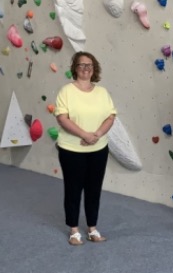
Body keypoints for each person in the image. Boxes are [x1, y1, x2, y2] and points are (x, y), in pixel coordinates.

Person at [54, 51, 117, 246]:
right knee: (73, 189)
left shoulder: (102, 92)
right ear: (75, 68)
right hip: (71, 150)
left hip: (99, 148)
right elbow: (62, 118)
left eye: (89, 65)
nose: (86, 68)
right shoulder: (66, 91)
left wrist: (96, 135)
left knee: (94, 190)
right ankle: (74, 230)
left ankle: (92, 229)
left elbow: (111, 116)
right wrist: (85, 135)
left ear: (94, 68)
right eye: (81, 65)